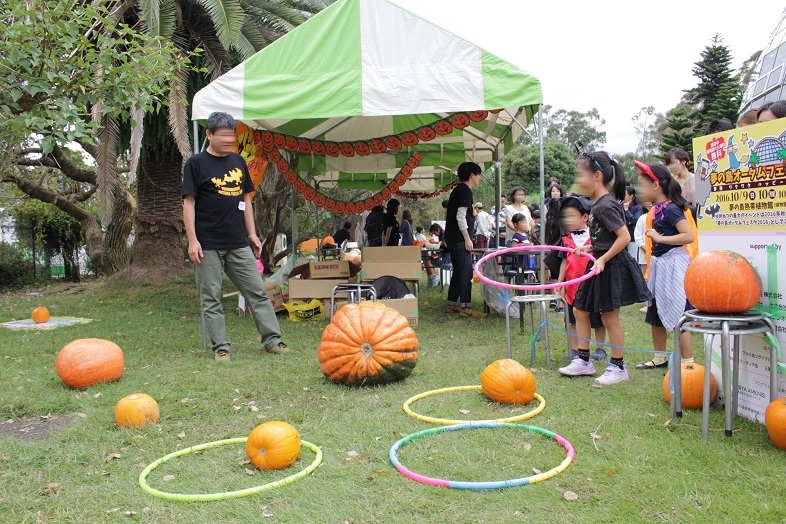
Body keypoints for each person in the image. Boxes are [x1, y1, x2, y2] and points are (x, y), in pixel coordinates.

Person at [182, 112, 289, 362]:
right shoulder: (196, 164)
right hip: (207, 244)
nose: (228, 140)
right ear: (209, 134)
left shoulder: (239, 162)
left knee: (257, 292)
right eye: (223, 135)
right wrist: (192, 240)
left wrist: (252, 233)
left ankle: (272, 340)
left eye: (231, 135)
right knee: (211, 297)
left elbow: (246, 200)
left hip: (238, 243)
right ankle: (221, 347)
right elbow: (189, 204)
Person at [557, 151, 650, 385]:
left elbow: (623, 237)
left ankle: (618, 367)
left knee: (609, 317)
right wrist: (591, 248)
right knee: (580, 310)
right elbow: (606, 237)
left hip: (610, 266)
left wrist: (602, 258)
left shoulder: (605, 205)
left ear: (597, 176)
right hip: (599, 263)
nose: (579, 181)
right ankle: (583, 360)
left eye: (582, 175)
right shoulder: (598, 204)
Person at [633, 161, 697, 370]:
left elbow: (688, 236)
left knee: (680, 312)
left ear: (655, 185)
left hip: (674, 267)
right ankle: (659, 356)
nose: (639, 190)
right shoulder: (657, 210)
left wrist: (660, 238)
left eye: (642, 185)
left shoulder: (670, 209)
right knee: (655, 311)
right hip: (660, 267)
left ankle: (688, 363)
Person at [554, 195, 607, 361]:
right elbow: (563, 261)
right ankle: (575, 348)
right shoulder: (565, 239)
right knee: (573, 319)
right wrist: (560, 282)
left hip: (593, 284)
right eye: (565, 217)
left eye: (571, 216)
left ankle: (600, 348)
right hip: (572, 286)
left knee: (597, 318)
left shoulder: (595, 237)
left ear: (585, 217)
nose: (567, 220)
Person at [444, 162, 486, 318]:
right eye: (478, 175)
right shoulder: (464, 190)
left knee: (458, 271)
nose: (479, 178)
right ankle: (466, 308)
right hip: (459, 239)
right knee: (466, 272)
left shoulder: (460, 190)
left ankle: (451, 304)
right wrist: (467, 238)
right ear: (471, 175)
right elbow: (460, 216)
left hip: (453, 238)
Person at [623, 185, 643, 261]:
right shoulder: (619, 206)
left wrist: (626, 210)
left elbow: (635, 220)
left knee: (632, 258)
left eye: (625, 194)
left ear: (631, 196)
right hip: (622, 237)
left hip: (632, 236)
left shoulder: (637, 207)